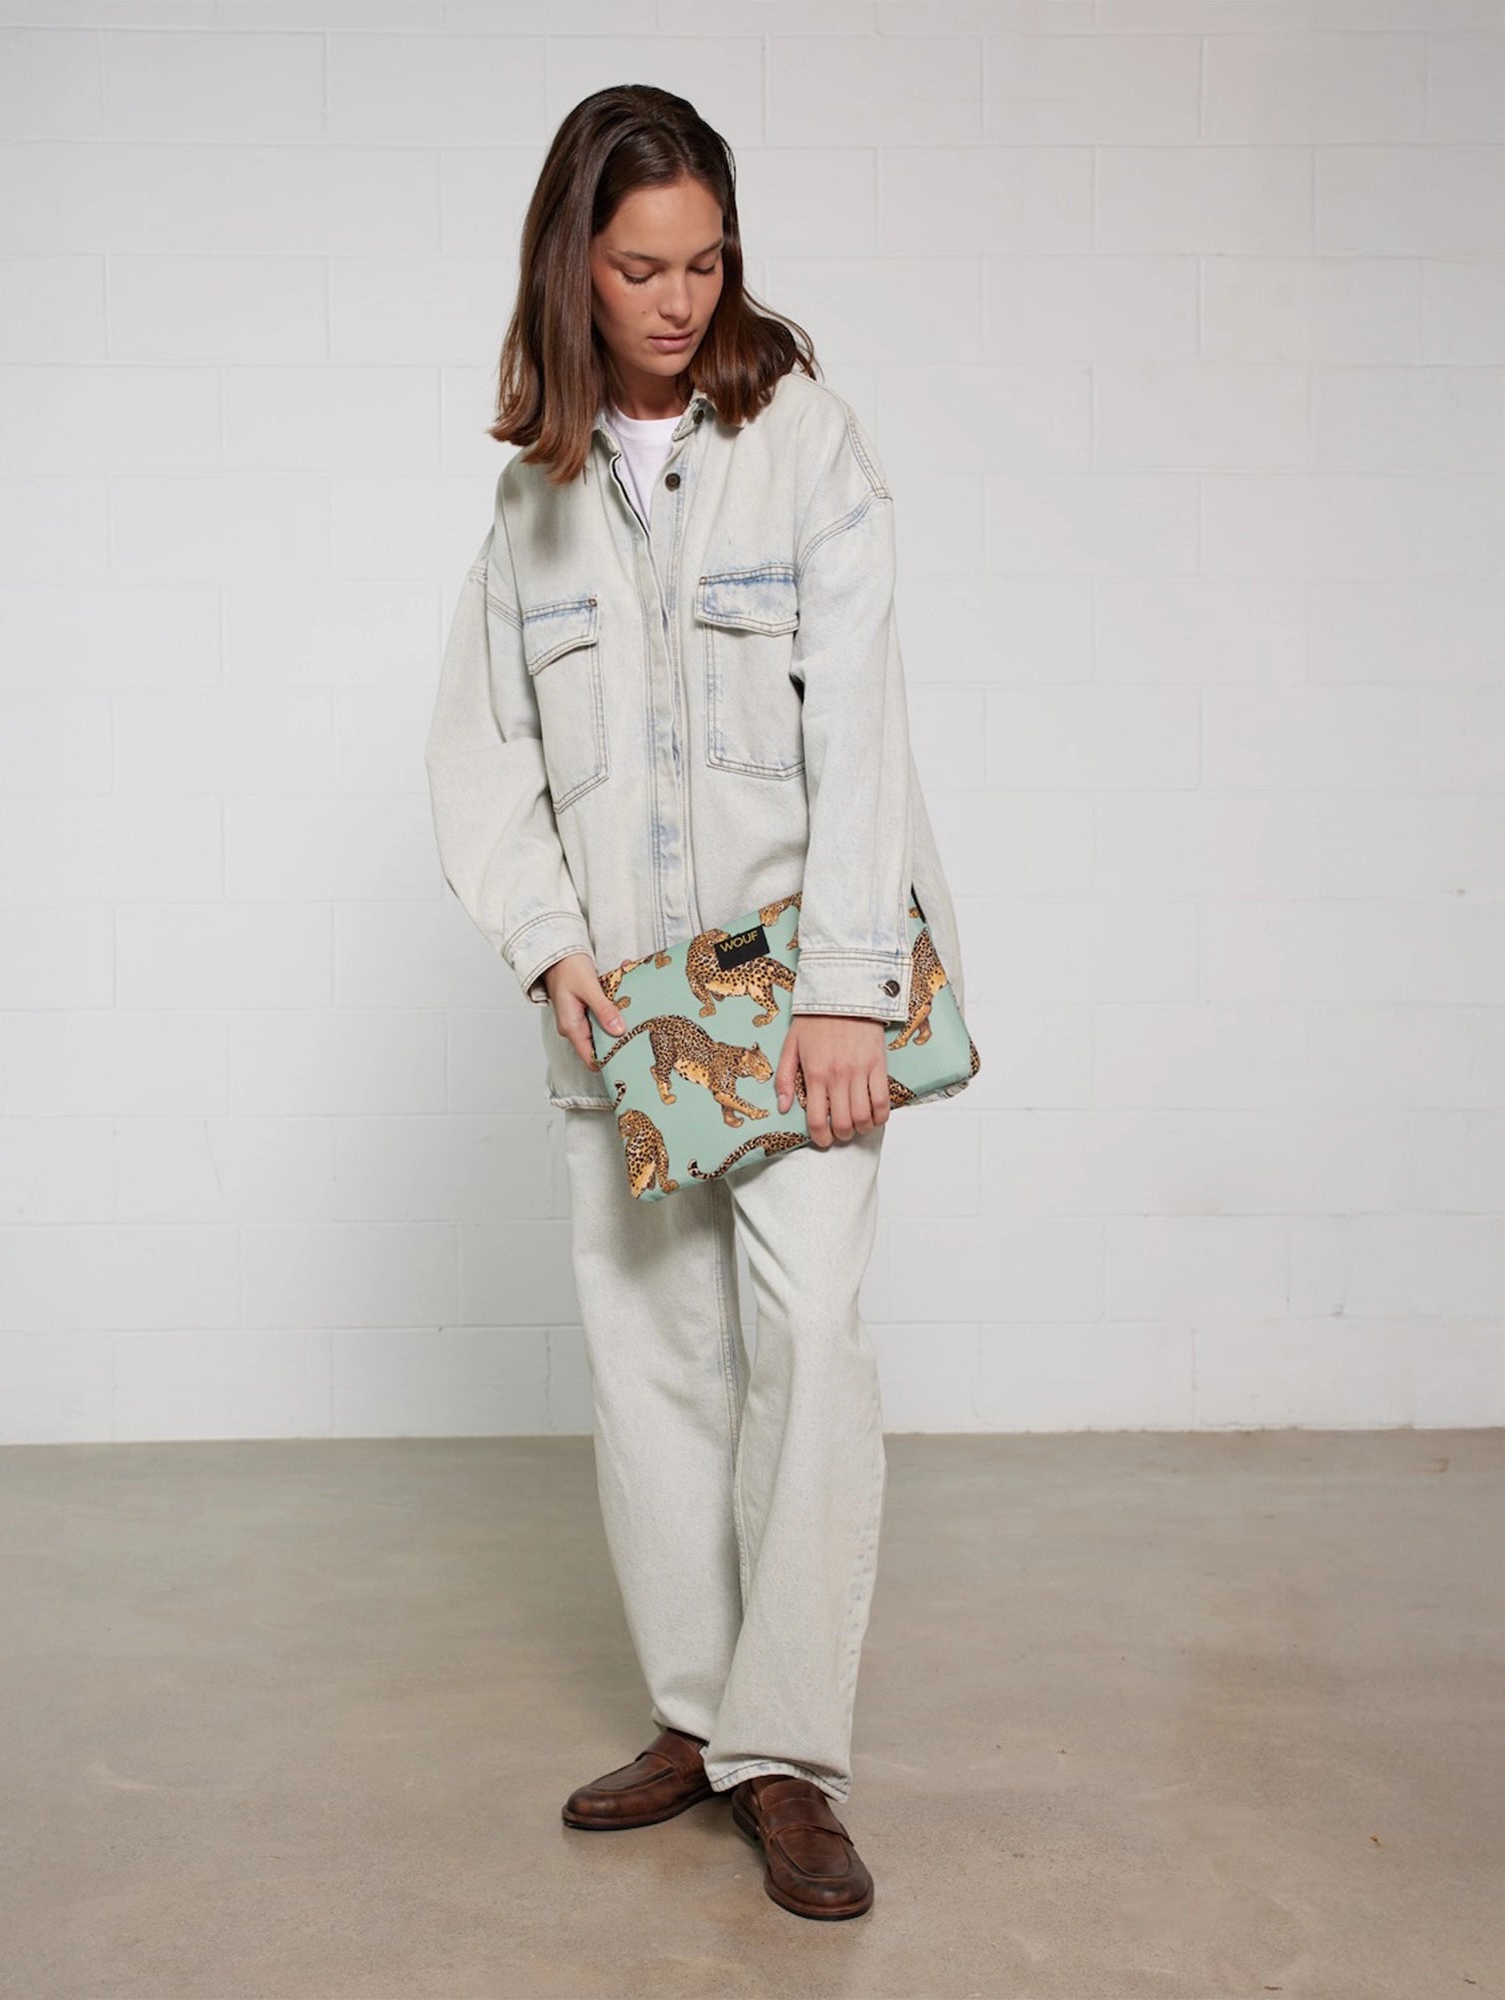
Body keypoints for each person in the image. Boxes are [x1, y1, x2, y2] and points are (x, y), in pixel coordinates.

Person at [423, 84, 967, 1924]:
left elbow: (867, 727)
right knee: (654, 1366)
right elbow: (483, 752)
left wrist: (849, 992)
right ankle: (697, 1715)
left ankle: (788, 1754)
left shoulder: (804, 442)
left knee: (808, 1343)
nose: (678, 302)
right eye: (642, 268)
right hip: (624, 1020)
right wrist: (543, 939)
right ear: (572, 266)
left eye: (707, 263)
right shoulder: (533, 497)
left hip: (802, 1004)